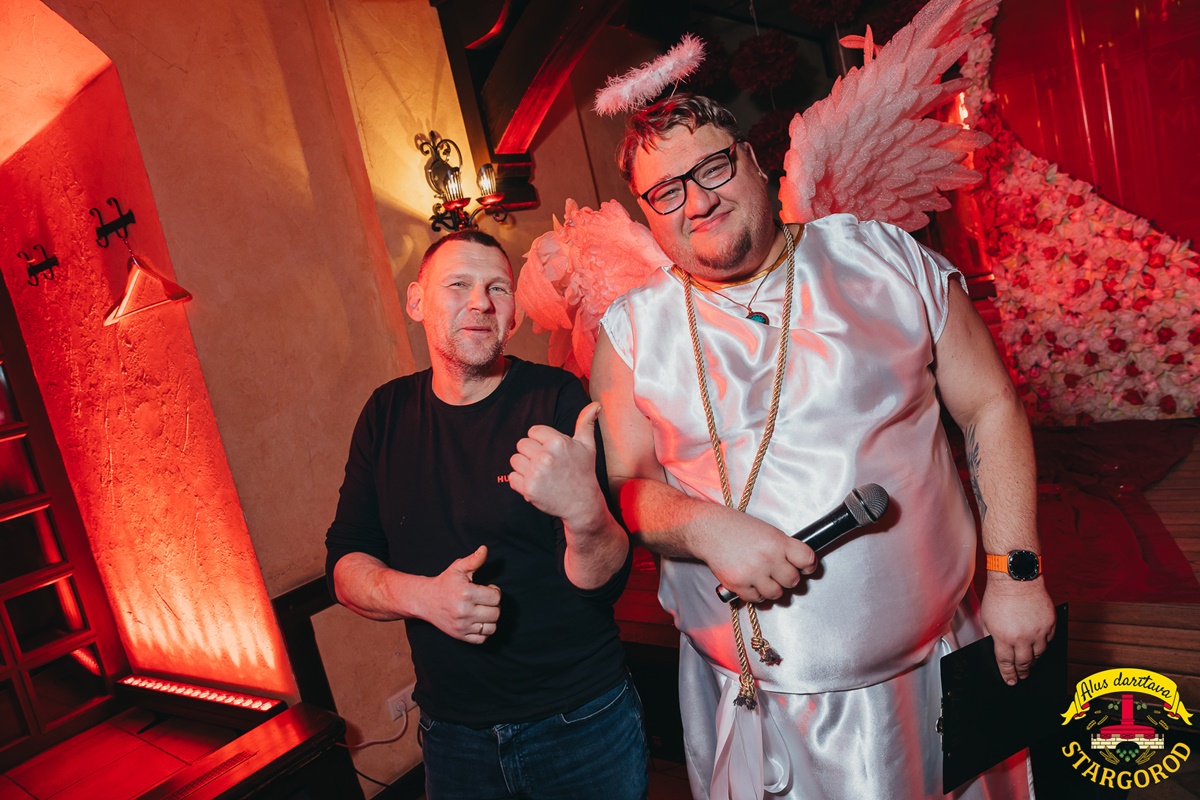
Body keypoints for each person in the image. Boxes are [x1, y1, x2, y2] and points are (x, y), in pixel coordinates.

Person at [590, 93, 1057, 799]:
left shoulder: (883, 256)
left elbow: (989, 404)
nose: (698, 201)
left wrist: (1017, 574)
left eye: (712, 168)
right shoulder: (630, 330)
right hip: (755, 701)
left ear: (753, 160)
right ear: (647, 210)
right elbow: (627, 484)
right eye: (667, 191)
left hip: (935, 671)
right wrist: (704, 526)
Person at [325, 230, 648, 800]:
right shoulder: (385, 414)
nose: (480, 302)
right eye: (459, 284)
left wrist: (586, 513)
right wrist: (426, 598)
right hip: (452, 739)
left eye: (497, 288)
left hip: (580, 722)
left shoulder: (553, 398)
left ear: (514, 315)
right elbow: (346, 564)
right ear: (417, 301)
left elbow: (602, 583)